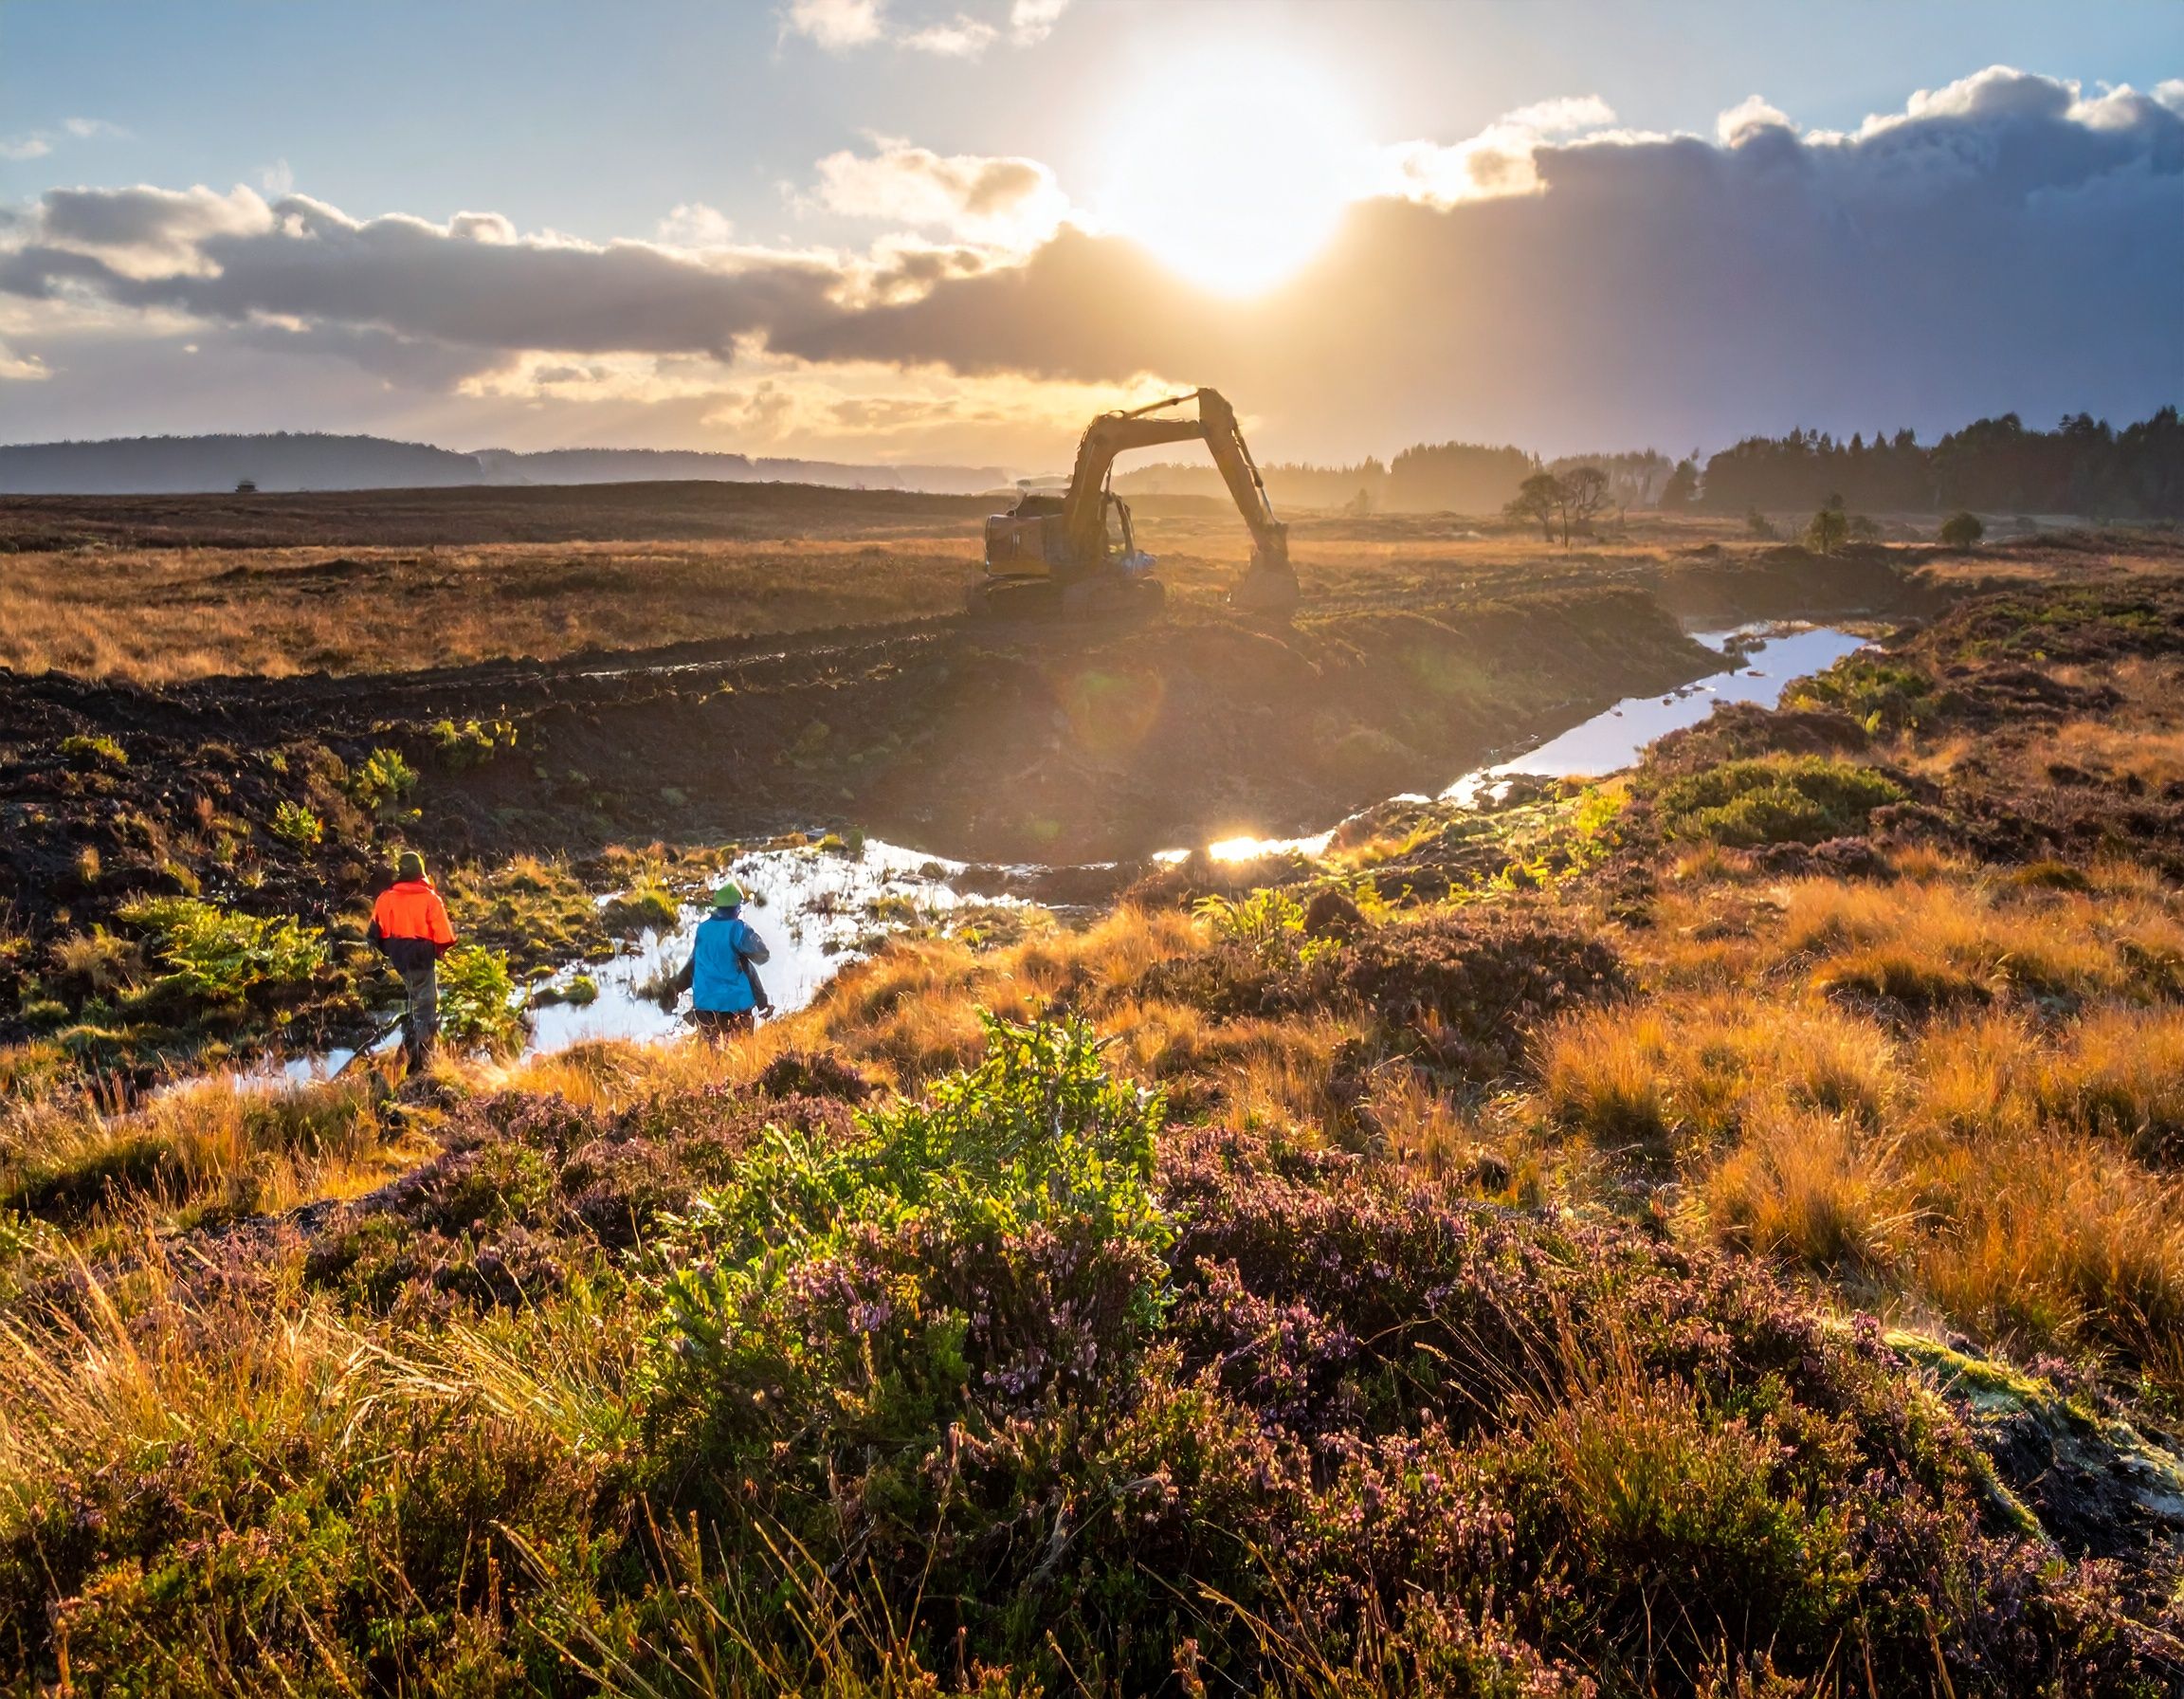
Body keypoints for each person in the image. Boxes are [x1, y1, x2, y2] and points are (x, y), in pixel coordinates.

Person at [368, 850, 457, 1069]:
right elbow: (444, 937)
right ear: (420, 873)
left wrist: (391, 951)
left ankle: (406, 1051)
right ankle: (423, 1063)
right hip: (421, 960)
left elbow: (372, 935)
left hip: (399, 960)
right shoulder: (430, 899)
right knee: (427, 1005)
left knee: (412, 1000)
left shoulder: (385, 899)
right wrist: (437, 952)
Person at [667, 882, 774, 1038]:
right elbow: (763, 955)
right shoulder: (738, 928)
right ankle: (763, 1008)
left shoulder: (703, 929)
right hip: (735, 1002)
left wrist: (677, 988)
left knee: (713, 1051)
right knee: (744, 963)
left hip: (704, 1003)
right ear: (737, 907)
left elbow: (693, 965)